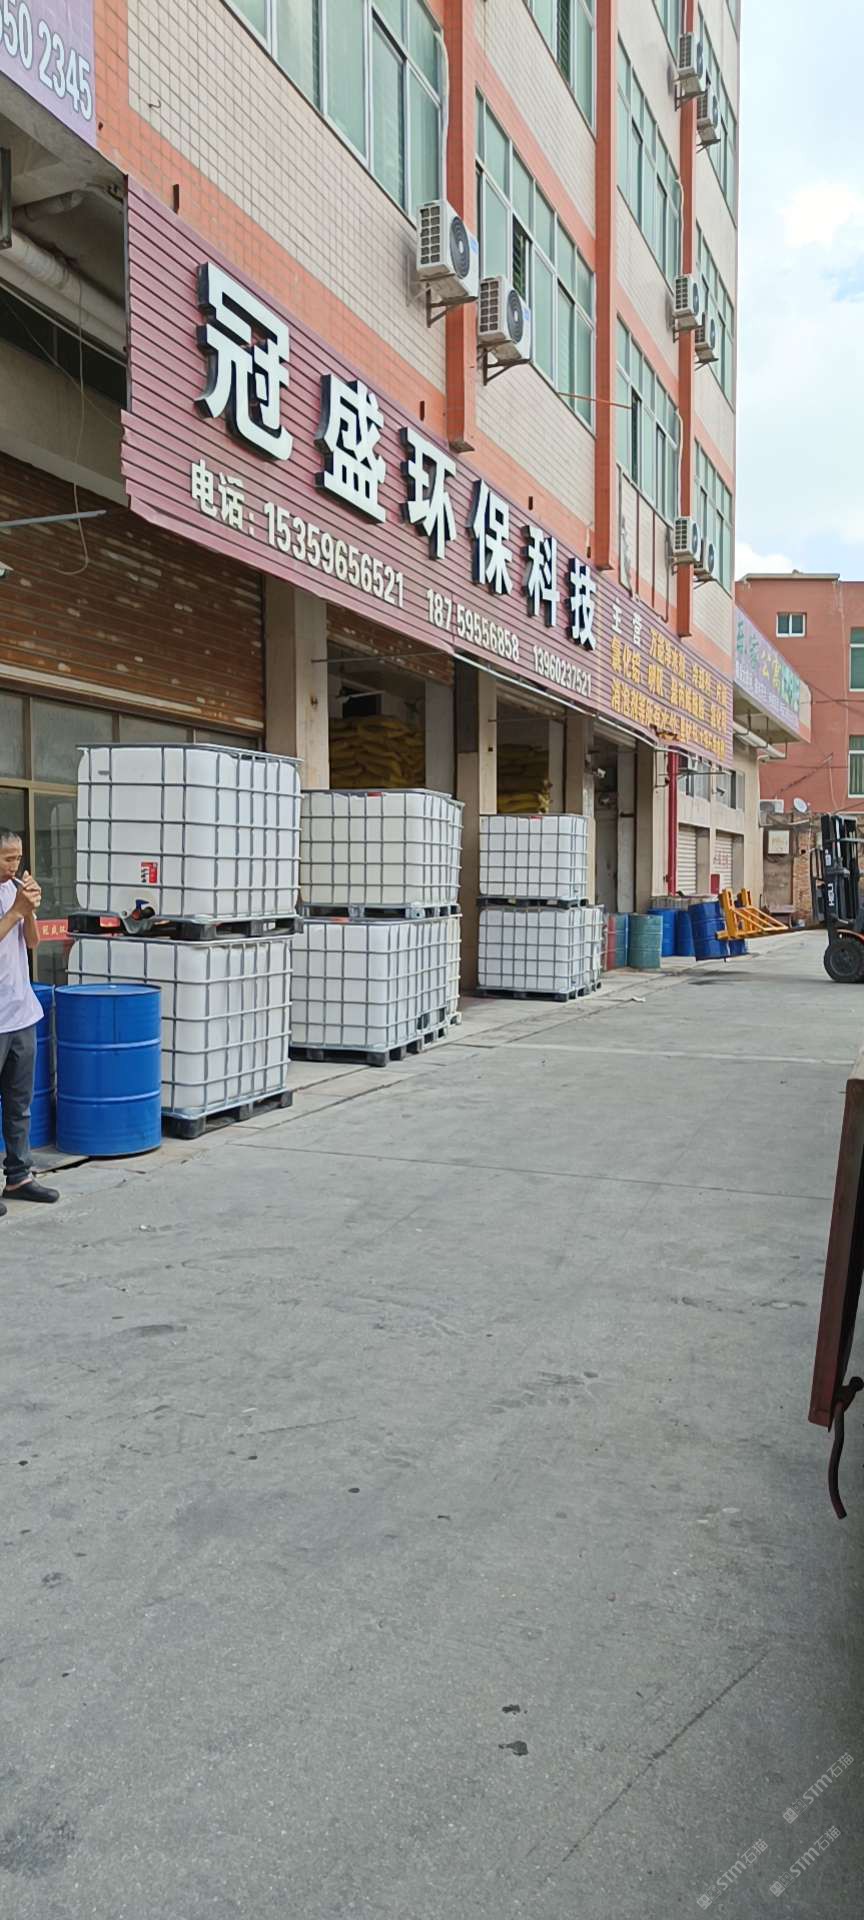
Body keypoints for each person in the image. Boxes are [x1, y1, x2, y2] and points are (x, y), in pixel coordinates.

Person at [0, 830, 59, 1215]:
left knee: (19, 1103)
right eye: (7, 858)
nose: (15, 865)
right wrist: (16, 911)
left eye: (18, 857)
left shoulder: (15, 891)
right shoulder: (10, 900)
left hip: (21, 1012)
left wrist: (31, 909)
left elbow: (33, 943)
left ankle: (19, 1175)